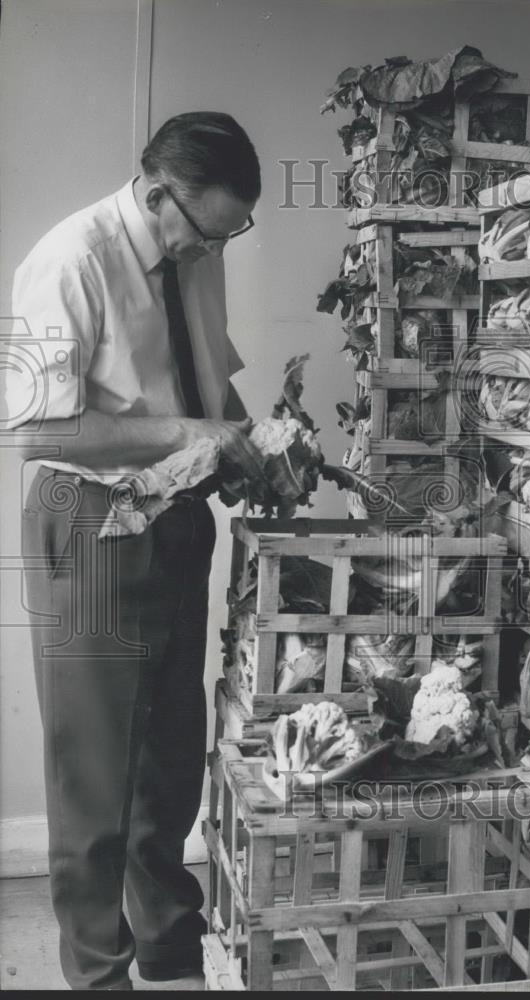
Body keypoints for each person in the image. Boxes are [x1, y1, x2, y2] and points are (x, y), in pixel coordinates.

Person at [6, 112, 262, 990]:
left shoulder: (199, 246)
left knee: (167, 750)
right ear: (157, 194)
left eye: (233, 233)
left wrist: (243, 441)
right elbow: (32, 424)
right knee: (94, 768)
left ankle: (171, 951)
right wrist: (189, 430)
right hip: (89, 521)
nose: (215, 249)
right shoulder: (69, 260)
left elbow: (208, 374)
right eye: (207, 231)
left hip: (176, 517)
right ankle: (98, 973)